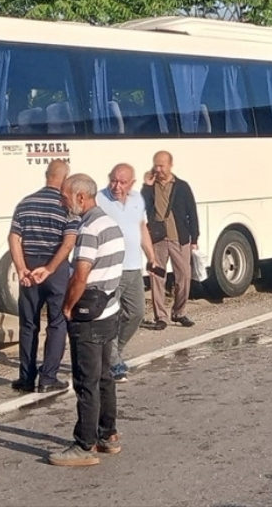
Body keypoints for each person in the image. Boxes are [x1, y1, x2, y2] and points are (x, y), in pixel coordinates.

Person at [50, 173, 125, 467]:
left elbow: (81, 274)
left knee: (86, 381)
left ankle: (85, 444)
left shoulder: (89, 229)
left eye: (65, 197)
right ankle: (109, 435)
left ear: (81, 197)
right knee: (106, 376)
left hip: (89, 316)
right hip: (109, 309)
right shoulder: (110, 223)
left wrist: (67, 307)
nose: (63, 203)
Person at [8, 159, 79, 394]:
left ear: (46, 175)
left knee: (29, 324)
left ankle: (26, 377)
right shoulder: (66, 206)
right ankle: (48, 377)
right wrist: (50, 267)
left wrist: (21, 268)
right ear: (64, 177)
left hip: (29, 266)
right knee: (57, 323)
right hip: (54, 269)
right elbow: (68, 244)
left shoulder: (25, 203)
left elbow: (14, 239)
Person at [96, 163, 157, 383]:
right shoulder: (99, 200)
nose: (116, 186)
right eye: (113, 180)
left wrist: (151, 256)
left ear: (131, 183)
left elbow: (141, 227)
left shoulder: (137, 200)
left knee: (136, 313)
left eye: (122, 182)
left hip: (133, 269)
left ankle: (114, 352)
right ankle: (114, 363)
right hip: (110, 269)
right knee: (111, 316)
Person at [141, 151, 199, 328]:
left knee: (184, 277)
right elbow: (140, 206)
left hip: (179, 238)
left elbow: (192, 212)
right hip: (158, 239)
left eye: (161, 165)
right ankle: (161, 317)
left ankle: (179, 312)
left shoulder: (182, 186)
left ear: (170, 165)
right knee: (157, 278)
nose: (158, 169)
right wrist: (147, 186)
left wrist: (194, 237)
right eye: (156, 165)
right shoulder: (151, 187)